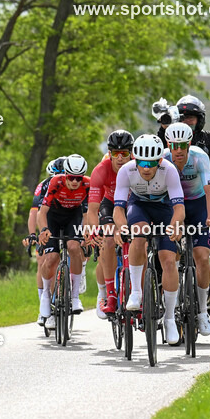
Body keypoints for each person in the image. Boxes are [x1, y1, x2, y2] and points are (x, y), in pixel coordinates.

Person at [113, 134, 185, 346]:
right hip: (139, 206)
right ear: (135, 159)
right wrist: (121, 226)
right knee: (139, 233)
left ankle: (170, 318)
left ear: (159, 161)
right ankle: (136, 292)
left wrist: (175, 224)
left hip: (164, 208)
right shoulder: (127, 171)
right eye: (142, 163)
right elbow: (118, 208)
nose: (146, 168)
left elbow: (179, 208)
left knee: (169, 260)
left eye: (151, 164)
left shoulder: (169, 170)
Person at [163, 122, 210, 336]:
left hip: (196, 205)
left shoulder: (200, 157)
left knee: (201, 256)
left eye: (182, 145)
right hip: (171, 205)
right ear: (169, 144)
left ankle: (203, 311)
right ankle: (172, 305)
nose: (178, 150)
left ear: (189, 144)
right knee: (170, 255)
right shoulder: (163, 158)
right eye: (174, 145)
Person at [36, 154, 92, 328]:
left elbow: (88, 214)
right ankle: (46, 295)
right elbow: (41, 213)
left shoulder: (87, 184)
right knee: (51, 258)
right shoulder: (56, 182)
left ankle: (74, 297)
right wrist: (44, 230)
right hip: (53, 215)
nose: (75, 182)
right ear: (65, 174)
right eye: (71, 177)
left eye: (78, 178)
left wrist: (88, 233)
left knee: (74, 247)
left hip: (72, 217)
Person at [87, 129, 134, 318]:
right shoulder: (101, 170)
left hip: (132, 204)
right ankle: (108, 294)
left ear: (132, 153)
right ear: (110, 153)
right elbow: (92, 209)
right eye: (116, 153)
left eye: (125, 153)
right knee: (107, 239)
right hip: (110, 203)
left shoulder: (139, 167)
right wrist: (92, 230)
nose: (120, 158)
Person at [26, 156, 66, 323]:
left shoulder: (75, 184)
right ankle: (45, 304)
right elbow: (34, 213)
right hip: (49, 222)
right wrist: (33, 235)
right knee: (43, 260)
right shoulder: (43, 186)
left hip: (68, 219)